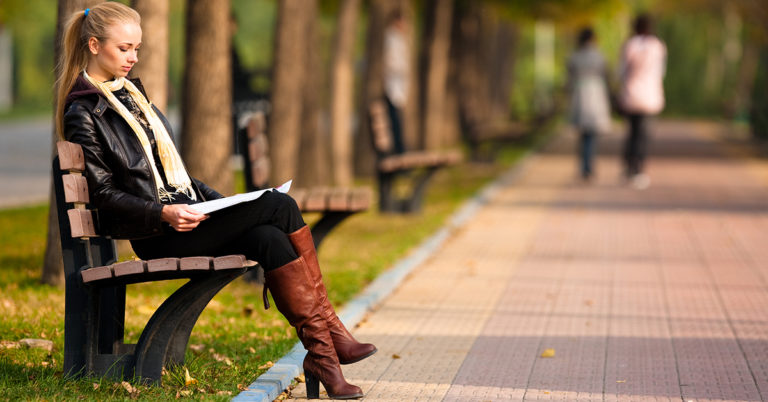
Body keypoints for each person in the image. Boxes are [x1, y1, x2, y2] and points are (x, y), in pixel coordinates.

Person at [54, 3, 373, 399]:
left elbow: (177, 177)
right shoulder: (84, 110)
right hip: (157, 232)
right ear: (94, 45)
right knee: (281, 205)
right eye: (124, 49)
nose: (133, 57)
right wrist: (163, 213)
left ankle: (322, 359)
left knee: (270, 239)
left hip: (185, 216)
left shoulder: (133, 94)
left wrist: (226, 206)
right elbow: (103, 194)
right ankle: (334, 335)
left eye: (137, 48)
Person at [619, 14, 667, 189]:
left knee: (632, 132)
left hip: (631, 95)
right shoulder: (658, 46)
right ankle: (639, 169)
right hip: (650, 96)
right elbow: (661, 72)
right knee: (644, 135)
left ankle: (629, 166)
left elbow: (622, 71)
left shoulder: (630, 45)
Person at [567, 27, 612, 182]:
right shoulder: (600, 57)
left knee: (583, 134)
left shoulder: (575, 56)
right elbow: (607, 76)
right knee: (591, 134)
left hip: (580, 95)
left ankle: (584, 166)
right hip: (596, 95)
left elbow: (569, 79)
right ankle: (588, 166)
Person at [383, 9, 408, 154]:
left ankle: (401, 151)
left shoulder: (399, 39)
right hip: (393, 88)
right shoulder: (391, 39)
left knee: (399, 123)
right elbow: (391, 63)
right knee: (396, 124)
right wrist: (402, 69)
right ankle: (399, 153)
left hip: (398, 89)